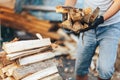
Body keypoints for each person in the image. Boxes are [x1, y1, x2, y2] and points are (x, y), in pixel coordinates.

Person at [64, 0, 120, 80]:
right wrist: (67, 13)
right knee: (80, 68)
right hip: (88, 25)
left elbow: (118, 2)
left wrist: (101, 19)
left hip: (110, 27)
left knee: (105, 71)